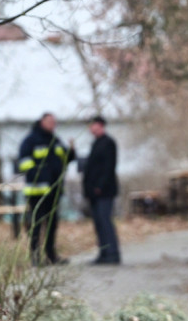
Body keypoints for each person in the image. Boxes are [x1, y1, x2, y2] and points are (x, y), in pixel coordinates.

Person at [17, 112, 76, 265]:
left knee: (52, 225)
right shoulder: (30, 140)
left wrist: (71, 152)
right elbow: (23, 163)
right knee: (36, 226)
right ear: (42, 122)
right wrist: (41, 174)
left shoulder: (55, 140)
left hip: (54, 191)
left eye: (54, 122)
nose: (52, 124)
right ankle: (35, 258)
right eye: (50, 121)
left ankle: (51, 256)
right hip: (37, 192)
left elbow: (65, 159)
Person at [82, 115, 121, 265]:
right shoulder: (96, 143)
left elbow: (108, 167)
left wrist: (100, 185)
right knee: (99, 222)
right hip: (94, 192)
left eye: (93, 125)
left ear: (100, 125)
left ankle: (112, 253)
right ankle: (104, 253)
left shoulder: (108, 143)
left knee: (105, 221)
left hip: (104, 191)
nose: (91, 128)